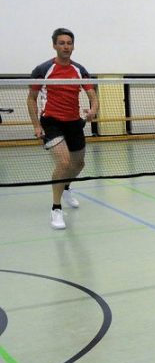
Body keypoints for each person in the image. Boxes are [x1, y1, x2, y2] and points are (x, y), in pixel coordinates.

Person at [26, 28, 98, 230]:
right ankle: (56, 209)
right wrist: (36, 125)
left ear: (73, 46)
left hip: (74, 122)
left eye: (69, 43)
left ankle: (66, 187)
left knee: (79, 164)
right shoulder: (43, 69)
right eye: (62, 43)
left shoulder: (79, 70)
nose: (66, 46)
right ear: (54, 45)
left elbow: (92, 96)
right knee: (64, 162)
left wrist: (93, 110)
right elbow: (31, 99)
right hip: (51, 122)